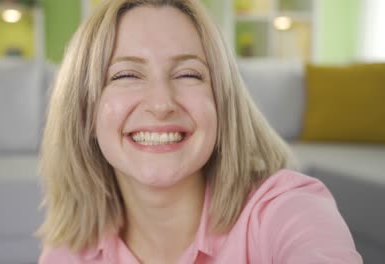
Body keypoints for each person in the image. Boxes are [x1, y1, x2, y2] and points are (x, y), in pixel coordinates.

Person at [37, 0, 362, 263]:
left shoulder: (285, 208)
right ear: (84, 110)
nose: (162, 103)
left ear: (222, 101)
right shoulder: (70, 251)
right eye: (126, 75)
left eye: (189, 74)